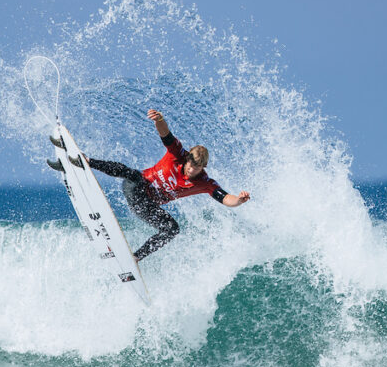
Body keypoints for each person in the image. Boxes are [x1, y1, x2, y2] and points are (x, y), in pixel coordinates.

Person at [53, 109, 250, 261]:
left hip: (145, 207)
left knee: (172, 229)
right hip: (134, 186)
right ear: (187, 158)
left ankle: (135, 257)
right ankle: (88, 161)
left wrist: (239, 200)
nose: (191, 170)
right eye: (190, 164)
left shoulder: (205, 182)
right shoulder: (177, 154)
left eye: (197, 168)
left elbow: (224, 198)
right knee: (134, 174)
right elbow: (166, 135)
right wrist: (159, 120)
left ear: (203, 167)